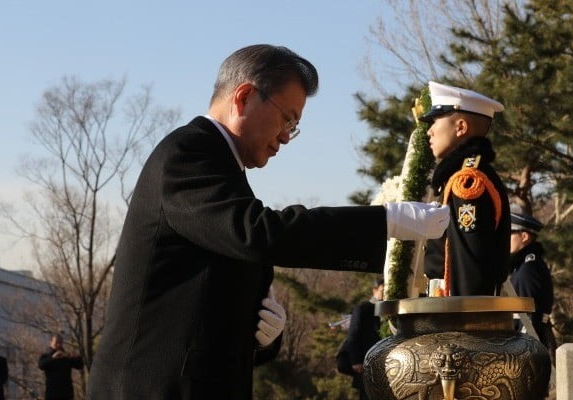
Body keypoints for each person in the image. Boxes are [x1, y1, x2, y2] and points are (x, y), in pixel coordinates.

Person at [87, 44, 449, 400]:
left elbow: (207, 295)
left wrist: (262, 338)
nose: (287, 137)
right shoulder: (187, 155)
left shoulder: (224, 170)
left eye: (295, 125)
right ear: (244, 97)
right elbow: (258, 234)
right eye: (287, 118)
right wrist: (386, 221)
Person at [422, 81, 511, 296]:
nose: (429, 132)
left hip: (458, 314)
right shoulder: (463, 174)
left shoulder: (469, 181)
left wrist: (462, 325)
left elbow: (468, 268)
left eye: (435, 121)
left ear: (461, 127)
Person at [509, 207, 556, 363]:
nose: (506, 239)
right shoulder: (522, 265)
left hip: (528, 342)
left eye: (510, 234)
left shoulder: (528, 268)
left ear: (524, 236)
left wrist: (522, 351)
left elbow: (529, 314)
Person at [347, 279, 384, 400]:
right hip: (365, 362)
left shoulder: (390, 309)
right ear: (375, 290)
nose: (384, 294)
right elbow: (353, 334)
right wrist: (356, 360)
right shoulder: (363, 308)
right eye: (382, 291)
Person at [38, 334, 84, 400]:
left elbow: (79, 365)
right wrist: (52, 358)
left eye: (60, 343)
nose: (59, 345)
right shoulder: (46, 355)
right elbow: (41, 365)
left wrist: (77, 357)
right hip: (52, 394)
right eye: (56, 342)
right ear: (51, 342)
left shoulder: (65, 356)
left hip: (67, 393)